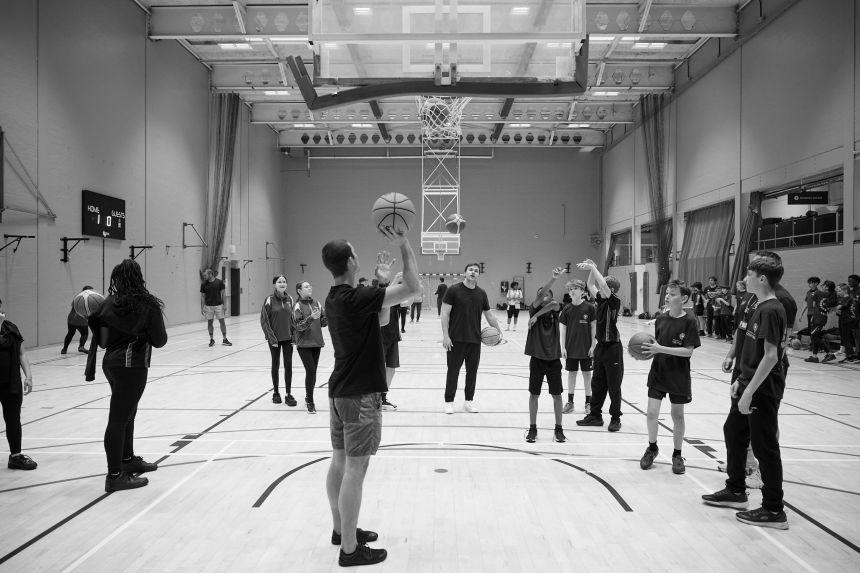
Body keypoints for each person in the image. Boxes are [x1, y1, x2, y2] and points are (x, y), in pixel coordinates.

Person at [322, 231, 420, 567]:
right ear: (350, 262)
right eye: (353, 249)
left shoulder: (336, 297)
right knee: (356, 468)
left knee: (339, 463)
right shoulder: (355, 297)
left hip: (339, 391)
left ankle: (340, 531)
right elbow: (412, 288)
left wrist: (379, 284)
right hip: (360, 395)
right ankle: (349, 549)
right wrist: (405, 245)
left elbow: (380, 319)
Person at [703, 256, 789, 530]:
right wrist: (741, 378)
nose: (745, 278)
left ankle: (774, 509)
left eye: (750, 274)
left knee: (765, 447)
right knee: (734, 431)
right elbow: (751, 351)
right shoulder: (757, 306)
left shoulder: (772, 309)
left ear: (762, 278)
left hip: (762, 390)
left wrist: (750, 390)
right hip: (748, 383)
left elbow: (771, 356)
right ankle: (736, 490)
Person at [85, 259, 167, 492]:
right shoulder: (146, 304)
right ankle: (114, 476)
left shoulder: (108, 303)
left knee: (127, 413)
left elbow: (102, 342)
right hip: (132, 366)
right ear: (138, 277)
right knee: (119, 418)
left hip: (111, 364)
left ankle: (127, 460)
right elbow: (160, 341)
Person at [638, 281, 701, 474]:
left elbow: (688, 352)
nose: (667, 296)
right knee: (651, 413)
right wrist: (650, 351)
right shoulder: (660, 319)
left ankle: (677, 454)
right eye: (666, 292)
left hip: (678, 375)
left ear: (683, 299)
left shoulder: (690, 321)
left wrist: (660, 349)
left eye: (672, 294)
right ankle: (652, 447)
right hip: (659, 371)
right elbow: (657, 345)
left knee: (677, 416)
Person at [441, 263, 505, 414]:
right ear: (465, 272)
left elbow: (489, 315)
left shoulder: (481, 293)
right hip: (455, 339)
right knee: (453, 372)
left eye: (476, 271)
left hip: (475, 340)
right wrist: (445, 336)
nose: (473, 272)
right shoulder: (453, 290)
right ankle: (449, 402)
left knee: (472, 372)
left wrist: (499, 332)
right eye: (471, 270)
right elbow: (445, 314)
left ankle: (468, 402)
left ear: (478, 275)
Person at [575, 259, 624, 432]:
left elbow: (601, 283)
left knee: (613, 385)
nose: (599, 288)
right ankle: (595, 415)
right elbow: (590, 283)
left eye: (604, 287)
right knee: (597, 383)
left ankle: (616, 418)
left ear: (610, 290)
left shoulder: (613, 301)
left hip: (613, 348)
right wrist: (591, 266)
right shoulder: (601, 300)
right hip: (601, 347)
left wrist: (594, 267)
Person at [524, 267, 566, 443]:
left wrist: (538, 316)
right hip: (537, 359)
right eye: (540, 294)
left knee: (557, 396)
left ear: (552, 295)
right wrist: (553, 278)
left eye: (547, 294)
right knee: (534, 395)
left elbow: (554, 305)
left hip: (554, 359)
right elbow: (541, 300)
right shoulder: (533, 308)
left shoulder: (554, 308)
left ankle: (558, 429)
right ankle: (533, 429)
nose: (543, 296)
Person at [0, 296, 38, 471]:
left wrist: (28, 376)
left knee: (13, 420)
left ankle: (15, 457)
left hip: (11, 383)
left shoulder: (10, 328)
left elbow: (22, 353)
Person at [559, 279, 596, 415]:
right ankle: (570, 402)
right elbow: (562, 329)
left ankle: (588, 403)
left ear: (582, 291)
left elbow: (593, 327)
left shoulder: (589, 307)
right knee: (572, 374)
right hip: (571, 348)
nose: (572, 291)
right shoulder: (567, 308)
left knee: (587, 375)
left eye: (575, 288)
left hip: (586, 348)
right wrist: (562, 347)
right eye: (570, 289)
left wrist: (593, 345)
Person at [261, 275, 297, 406]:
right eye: (279, 282)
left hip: (288, 339)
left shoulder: (291, 299)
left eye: (284, 282)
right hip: (274, 340)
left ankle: (288, 393)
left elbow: (294, 320)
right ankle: (276, 392)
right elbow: (264, 320)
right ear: (274, 285)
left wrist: (294, 336)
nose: (282, 283)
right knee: (275, 364)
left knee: (288, 365)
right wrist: (271, 338)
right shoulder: (269, 300)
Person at [294, 280, 326, 414]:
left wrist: (329, 314)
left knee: (312, 373)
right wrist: (311, 318)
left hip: (316, 343)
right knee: (311, 371)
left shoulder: (317, 303)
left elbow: (323, 323)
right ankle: (310, 400)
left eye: (309, 286)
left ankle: (308, 396)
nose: (309, 288)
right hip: (304, 344)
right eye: (306, 287)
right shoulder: (297, 306)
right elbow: (298, 326)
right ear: (299, 291)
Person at [379, 271, 403, 411]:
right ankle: (374, 398)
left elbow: (407, 302)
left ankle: (382, 398)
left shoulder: (396, 295)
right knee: (379, 369)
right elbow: (383, 298)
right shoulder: (380, 290)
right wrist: (396, 279)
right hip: (379, 336)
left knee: (391, 369)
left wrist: (415, 288)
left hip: (393, 335)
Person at [805, 280, 837, 363]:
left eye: (823, 285)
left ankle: (829, 353)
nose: (821, 286)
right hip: (822, 318)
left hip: (818, 318)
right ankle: (814, 356)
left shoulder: (819, 293)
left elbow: (814, 303)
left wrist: (813, 316)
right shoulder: (831, 295)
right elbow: (832, 309)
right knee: (816, 336)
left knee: (814, 336)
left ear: (826, 287)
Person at [200, 269, 231, 347]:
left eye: (205, 275)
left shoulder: (219, 282)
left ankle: (224, 339)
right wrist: (202, 307)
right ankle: (211, 339)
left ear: (210, 274)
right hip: (208, 307)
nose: (204, 277)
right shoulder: (204, 284)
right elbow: (203, 297)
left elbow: (223, 294)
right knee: (210, 323)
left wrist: (225, 305)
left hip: (218, 305)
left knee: (222, 322)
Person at [61, 285, 93, 354]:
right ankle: (81, 347)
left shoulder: (77, 297)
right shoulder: (90, 299)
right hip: (81, 319)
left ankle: (64, 349)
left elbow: (73, 306)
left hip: (72, 318)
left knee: (70, 333)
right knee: (84, 333)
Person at [840, 275, 860, 363]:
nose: (849, 283)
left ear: (857, 281)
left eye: (851, 281)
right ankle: (852, 355)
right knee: (851, 337)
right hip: (850, 318)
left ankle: (857, 355)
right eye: (848, 281)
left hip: (858, 318)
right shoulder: (850, 292)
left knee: (857, 336)